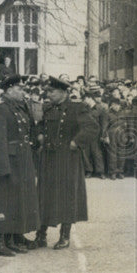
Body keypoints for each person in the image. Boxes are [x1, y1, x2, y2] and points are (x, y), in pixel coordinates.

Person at [0, 75, 40, 256]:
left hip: (21, 159)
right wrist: (3, 168)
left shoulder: (20, 108)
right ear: (8, 90)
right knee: (2, 200)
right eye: (19, 88)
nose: (23, 92)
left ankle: (15, 235)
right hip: (8, 161)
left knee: (20, 198)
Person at [35, 78, 89, 249]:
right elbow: (39, 126)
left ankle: (64, 236)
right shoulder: (48, 108)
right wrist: (40, 135)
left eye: (52, 92)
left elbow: (91, 128)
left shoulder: (77, 108)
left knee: (67, 196)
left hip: (67, 159)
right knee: (44, 195)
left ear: (63, 92)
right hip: (49, 158)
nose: (48, 94)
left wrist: (77, 142)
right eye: (48, 91)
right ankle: (40, 235)